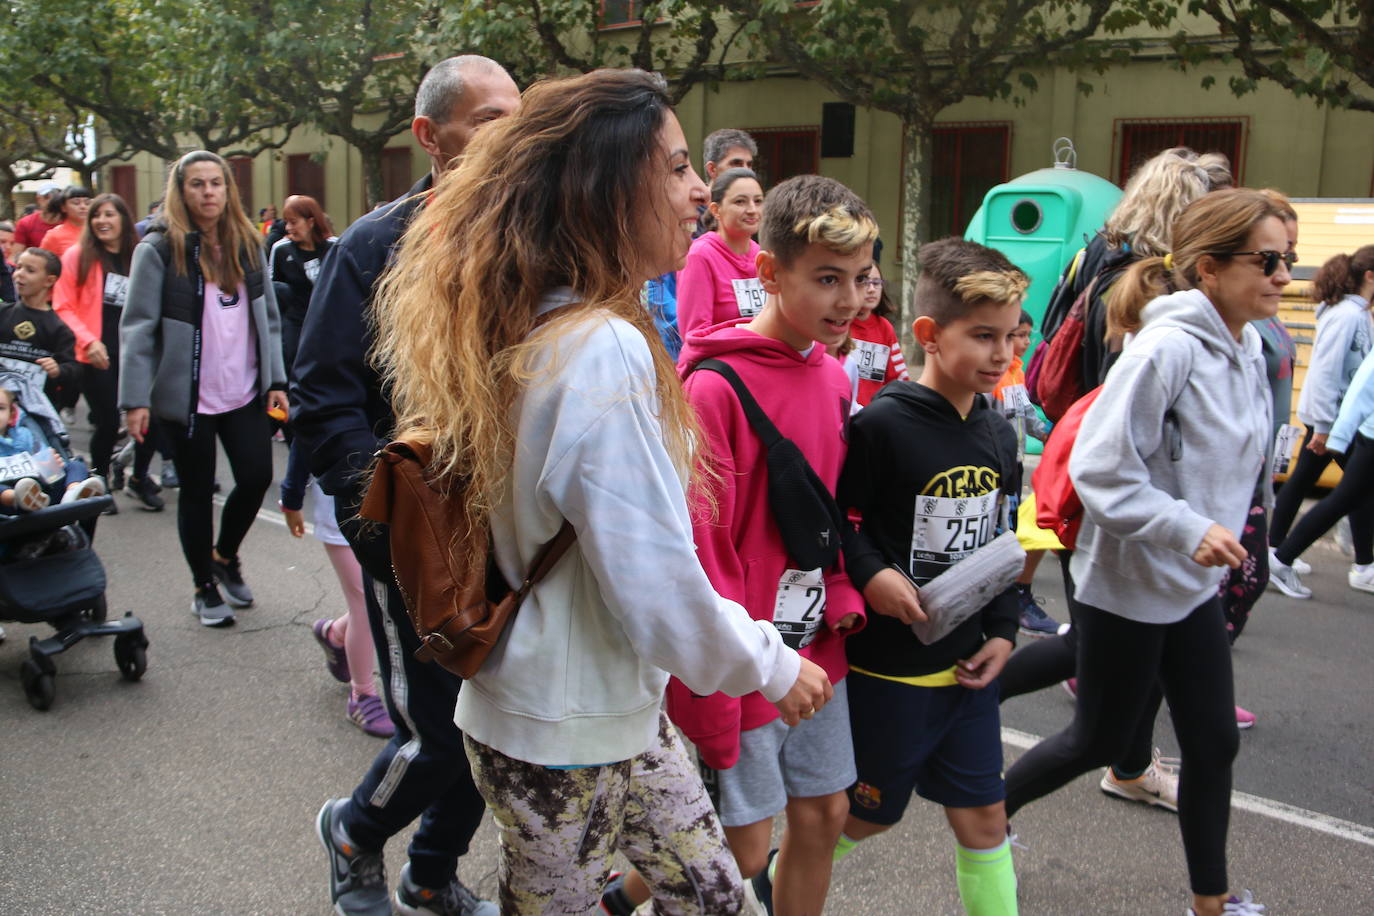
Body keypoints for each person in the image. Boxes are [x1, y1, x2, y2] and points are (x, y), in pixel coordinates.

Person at [369, 67, 831, 916]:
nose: (700, 191)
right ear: (609, 187)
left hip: (602, 713)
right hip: (557, 734)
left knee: (719, 899)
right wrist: (772, 664)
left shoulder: (540, 317)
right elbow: (658, 591)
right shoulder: (596, 350)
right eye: (677, 166)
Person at [1004, 188, 1287, 916]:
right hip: (1127, 582)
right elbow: (1101, 471)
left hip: (1189, 586)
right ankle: (988, 819)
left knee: (1214, 740)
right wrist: (1188, 529)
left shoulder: (1249, 345)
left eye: (1289, 260)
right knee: (1096, 739)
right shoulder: (1164, 349)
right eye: (1269, 260)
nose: (1285, 276)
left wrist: (1240, 527)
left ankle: (1211, 901)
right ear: (1210, 268)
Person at [293, 54, 519, 916]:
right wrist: (383, 513)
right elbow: (323, 397)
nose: (511, 135)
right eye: (488, 118)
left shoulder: (536, 242)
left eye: (519, 116)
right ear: (431, 136)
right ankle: (352, 832)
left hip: (510, 532)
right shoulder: (374, 245)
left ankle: (429, 874)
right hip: (411, 532)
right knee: (437, 730)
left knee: (490, 728)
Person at [662, 174, 874, 916]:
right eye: (825, 279)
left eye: (858, 278)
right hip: (749, 657)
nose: (847, 300)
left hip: (818, 645)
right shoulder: (713, 389)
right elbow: (700, 550)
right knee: (741, 849)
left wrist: (845, 595)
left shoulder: (832, 376)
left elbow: (830, 512)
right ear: (768, 273)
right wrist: (727, 682)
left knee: (823, 815)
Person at [834, 238, 1024, 915]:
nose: (1002, 354)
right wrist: (873, 573)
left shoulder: (1002, 433)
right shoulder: (882, 424)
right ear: (929, 335)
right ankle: (774, 881)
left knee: (985, 822)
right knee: (866, 818)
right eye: (983, 336)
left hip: (969, 670)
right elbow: (840, 518)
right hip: (891, 675)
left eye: (1012, 336)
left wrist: (1004, 631)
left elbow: (1006, 538)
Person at [119, 151, 287, 628]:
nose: (208, 192)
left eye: (216, 183)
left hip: (245, 391)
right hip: (186, 399)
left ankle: (225, 555)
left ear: (228, 190)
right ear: (182, 190)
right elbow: (137, 329)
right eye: (197, 184)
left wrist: (276, 381)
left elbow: (269, 321)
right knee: (195, 492)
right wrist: (134, 399)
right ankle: (202, 586)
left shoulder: (248, 246)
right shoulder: (157, 249)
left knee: (256, 479)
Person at [1267, 245, 1374, 597]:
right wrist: (1326, 428)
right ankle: (1283, 557)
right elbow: (1329, 372)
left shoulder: (1353, 313)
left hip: (1337, 418)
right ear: (1370, 276)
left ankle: (1278, 550)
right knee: (1351, 495)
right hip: (1336, 419)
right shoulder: (1348, 316)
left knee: (1322, 486)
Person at [52, 193, 164, 512]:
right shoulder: (78, 256)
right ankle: (99, 483)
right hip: (96, 352)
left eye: (109, 215)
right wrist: (88, 341)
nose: (102, 220)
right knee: (105, 422)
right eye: (97, 215)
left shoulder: (142, 254)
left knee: (151, 418)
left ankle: (139, 479)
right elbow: (62, 304)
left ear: (124, 220)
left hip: (138, 352)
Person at [280, 471, 394, 739]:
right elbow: (305, 435)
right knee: (365, 604)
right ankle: (362, 694)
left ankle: (336, 634)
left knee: (380, 599)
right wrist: (291, 495)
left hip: (391, 505)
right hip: (344, 505)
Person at [994, 309, 1057, 638]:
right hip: (997, 466)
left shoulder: (1017, 373)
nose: (1026, 341)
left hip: (1016, 462)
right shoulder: (993, 375)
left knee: (1015, 521)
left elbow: (1026, 411)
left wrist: (1044, 432)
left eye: (1026, 335)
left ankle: (1009, 590)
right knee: (1003, 524)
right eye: (1020, 335)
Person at [676, 167, 766, 342]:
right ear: (716, 210)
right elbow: (695, 334)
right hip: (720, 365)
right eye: (740, 202)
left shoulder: (760, 254)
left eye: (758, 201)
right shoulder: (700, 255)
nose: (752, 209)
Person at [1, 248, 81, 409]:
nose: (20, 274)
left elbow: (73, 369)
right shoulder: (2, 313)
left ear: (49, 281)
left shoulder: (59, 329)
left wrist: (58, 370)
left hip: (35, 408)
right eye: (18, 268)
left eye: (30, 270)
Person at [269, 194, 335, 385]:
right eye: (286, 222)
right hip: (296, 323)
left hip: (328, 324)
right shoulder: (281, 250)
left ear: (311, 222)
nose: (288, 228)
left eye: (293, 222)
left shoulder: (334, 247)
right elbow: (273, 287)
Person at [848, 261, 909, 408]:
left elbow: (899, 380)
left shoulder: (885, 328)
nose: (871, 289)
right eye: (865, 282)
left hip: (872, 416)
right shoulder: (838, 325)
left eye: (876, 283)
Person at [39, 186, 94, 258]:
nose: (83, 206)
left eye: (87, 203)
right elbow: (41, 263)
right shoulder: (54, 236)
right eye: (76, 203)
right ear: (63, 207)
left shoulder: (97, 231)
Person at [13, 183, 62, 251]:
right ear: (38, 199)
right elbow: (16, 254)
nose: (51, 200)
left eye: (56, 197)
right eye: (46, 197)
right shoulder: (25, 223)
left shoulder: (70, 221)